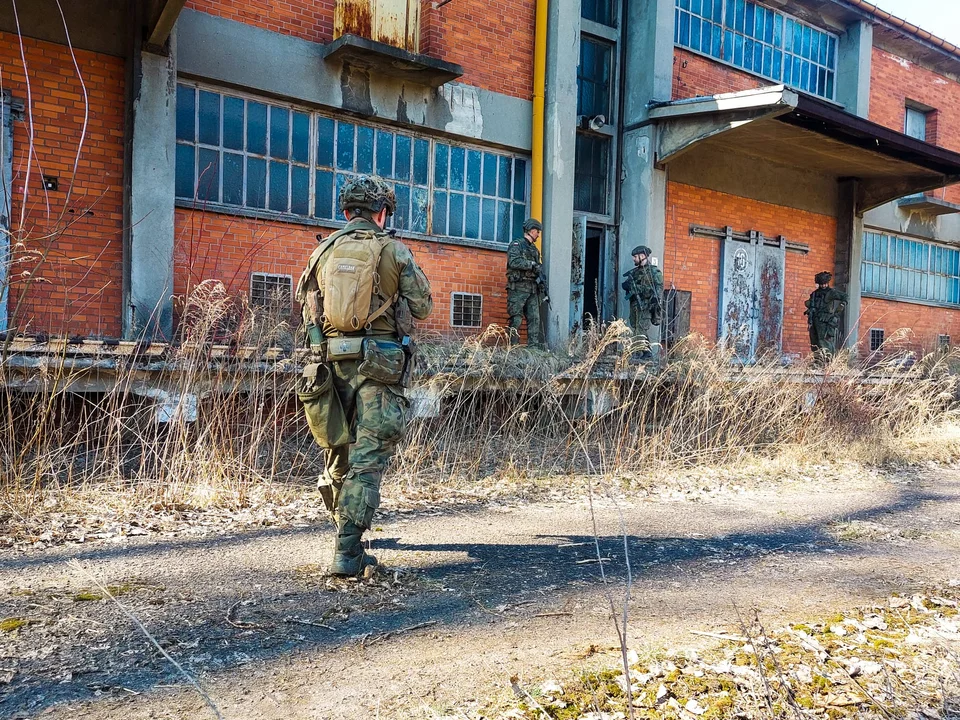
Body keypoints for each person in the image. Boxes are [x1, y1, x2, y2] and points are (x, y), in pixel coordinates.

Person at [295, 175, 433, 577]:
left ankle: (344, 532)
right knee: (368, 460)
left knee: (338, 452)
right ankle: (347, 553)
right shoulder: (393, 249)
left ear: (344, 212)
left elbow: (308, 313)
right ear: (382, 212)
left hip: (327, 367)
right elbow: (422, 306)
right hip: (379, 368)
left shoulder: (321, 251)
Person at [506, 218, 548, 349]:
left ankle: (533, 348)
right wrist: (531, 264)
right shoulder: (516, 245)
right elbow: (513, 262)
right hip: (518, 288)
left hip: (532, 289)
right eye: (537, 232)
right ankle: (512, 347)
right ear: (532, 230)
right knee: (516, 318)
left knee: (534, 319)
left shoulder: (534, 250)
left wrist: (541, 281)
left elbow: (537, 268)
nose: (538, 235)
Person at [621, 245, 663, 359]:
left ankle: (636, 353)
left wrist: (655, 300)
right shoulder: (634, 272)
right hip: (635, 305)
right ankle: (647, 352)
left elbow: (659, 288)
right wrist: (627, 286)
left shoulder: (654, 272)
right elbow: (626, 285)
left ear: (642, 256)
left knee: (640, 329)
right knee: (637, 327)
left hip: (646, 305)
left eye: (635, 256)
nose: (633, 259)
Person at [804, 271, 847, 363]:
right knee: (815, 342)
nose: (823, 286)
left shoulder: (831, 293)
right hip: (815, 319)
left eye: (824, 284)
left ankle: (828, 362)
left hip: (826, 320)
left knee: (824, 341)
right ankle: (818, 361)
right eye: (821, 284)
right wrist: (810, 322)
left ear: (827, 283)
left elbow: (845, 297)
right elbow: (811, 306)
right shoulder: (814, 294)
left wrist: (839, 309)